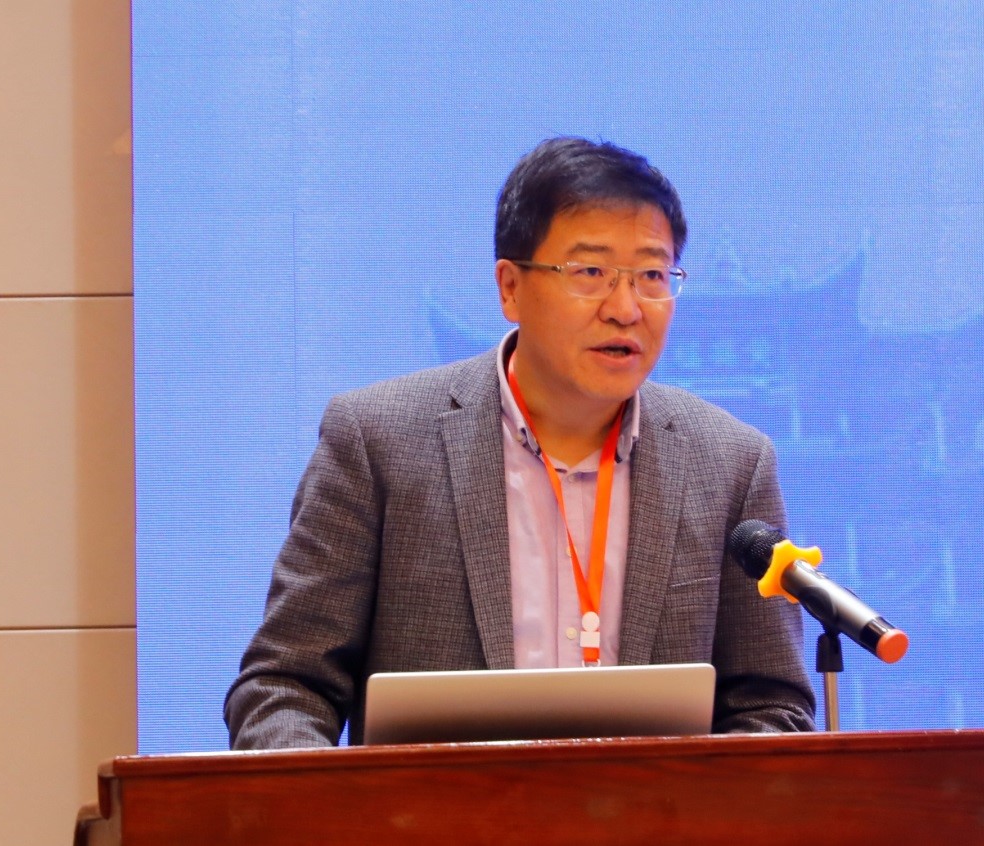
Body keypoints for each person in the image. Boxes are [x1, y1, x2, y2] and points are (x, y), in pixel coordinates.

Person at [224, 137, 815, 749]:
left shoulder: (730, 464)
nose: (626, 308)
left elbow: (770, 704)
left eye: (652, 275)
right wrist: (329, 798)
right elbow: (286, 685)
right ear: (510, 287)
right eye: (590, 272)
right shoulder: (378, 441)